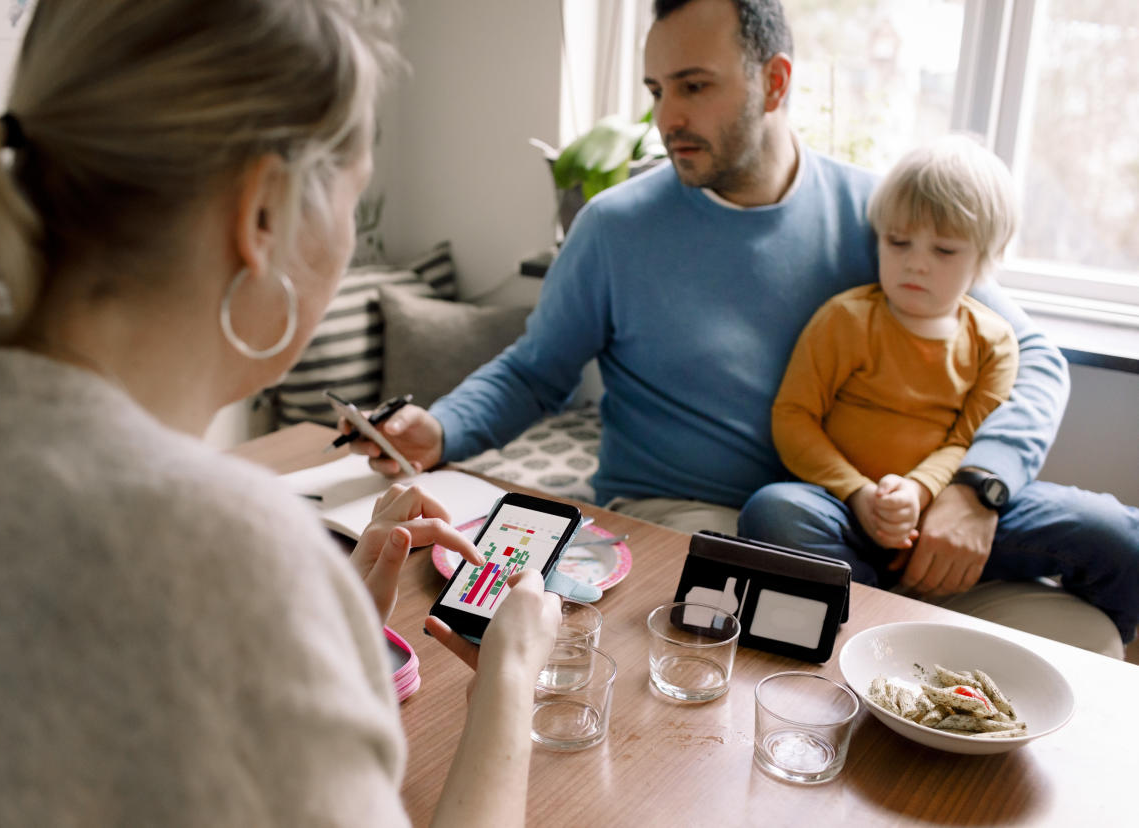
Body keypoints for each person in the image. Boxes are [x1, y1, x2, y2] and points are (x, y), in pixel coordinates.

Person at [0, 1, 562, 825]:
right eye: (352, 203)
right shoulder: (229, 562)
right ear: (261, 216)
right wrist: (511, 680)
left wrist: (324, 625)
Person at [352, 0, 1139, 646]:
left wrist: (976, 490)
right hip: (690, 518)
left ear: (776, 79)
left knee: (1096, 606)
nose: (667, 117)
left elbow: (1031, 352)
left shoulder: (878, 220)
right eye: (657, 89)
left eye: (694, 86)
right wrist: (441, 428)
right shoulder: (615, 226)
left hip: (871, 522)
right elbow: (534, 371)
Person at [771, 135, 1020, 581]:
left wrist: (920, 491)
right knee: (775, 510)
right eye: (898, 242)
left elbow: (967, 441)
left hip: (947, 508)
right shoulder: (845, 319)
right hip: (842, 508)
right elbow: (793, 417)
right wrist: (858, 492)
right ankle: (870, 597)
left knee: (1105, 531)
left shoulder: (994, 343)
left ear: (985, 258)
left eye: (943, 250)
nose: (915, 264)